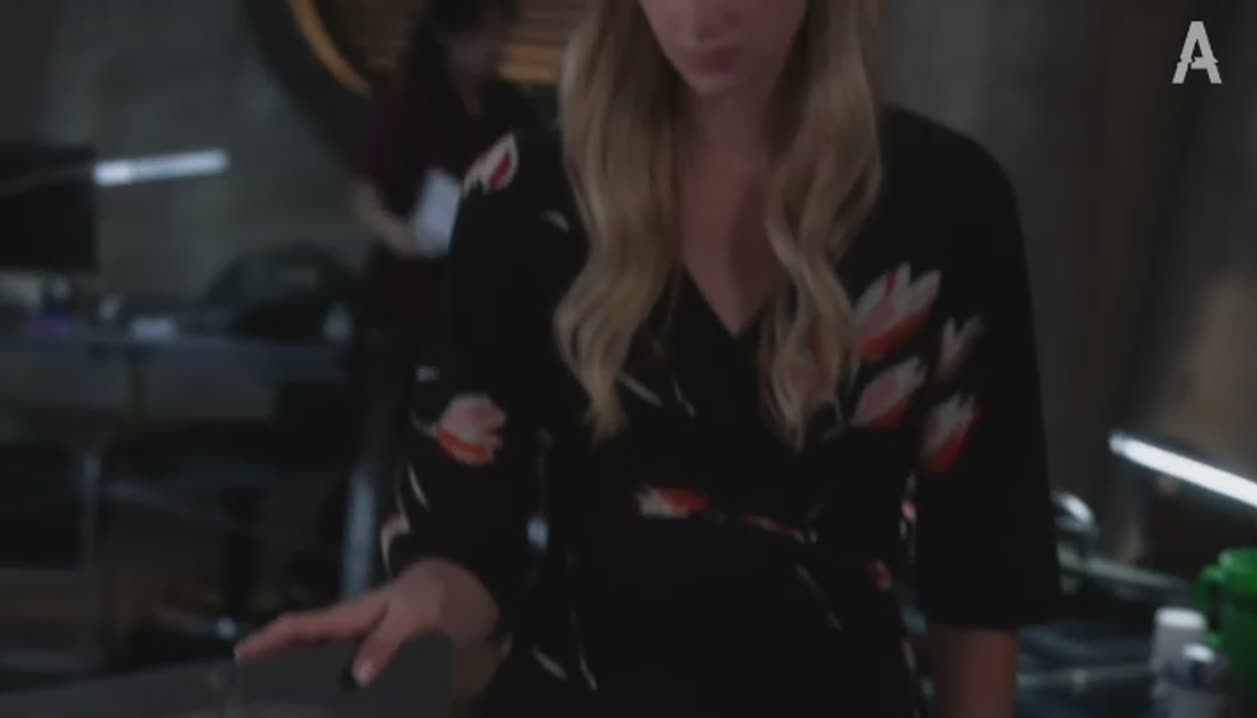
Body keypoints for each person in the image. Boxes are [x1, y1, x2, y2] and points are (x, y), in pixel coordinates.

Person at [240, 1, 1061, 716]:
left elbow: (982, 578)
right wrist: (417, 601)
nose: (698, 19)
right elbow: (464, 531)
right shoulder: (528, 193)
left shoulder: (947, 202)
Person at [355, 0, 538, 365]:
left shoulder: (508, 104)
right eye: (485, 33)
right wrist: (400, 235)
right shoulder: (408, 102)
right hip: (418, 292)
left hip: (489, 285)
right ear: (448, 36)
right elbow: (366, 198)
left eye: (502, 33)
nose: (496, 46)